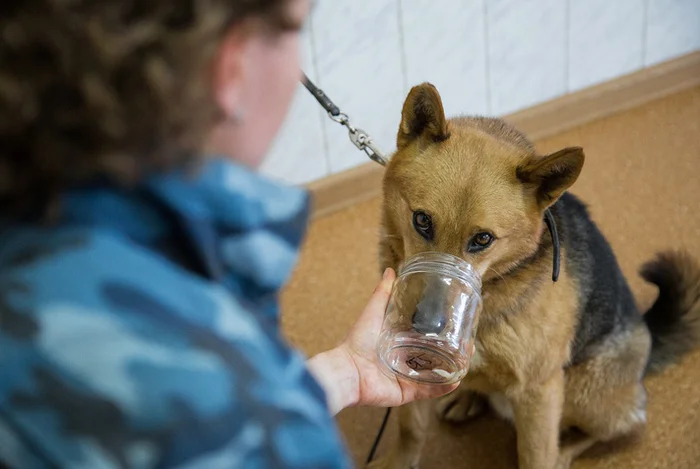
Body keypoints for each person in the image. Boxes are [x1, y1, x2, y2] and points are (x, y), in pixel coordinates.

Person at [0, 1, 459, 467]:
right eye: (292, 34)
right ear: (231, 66)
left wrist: (343, 374)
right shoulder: (255, 424)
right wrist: (278, 415)